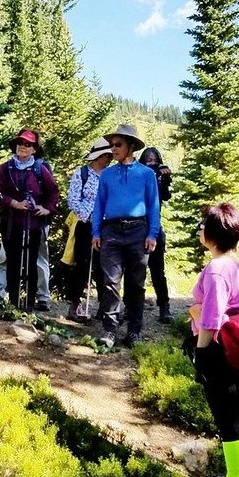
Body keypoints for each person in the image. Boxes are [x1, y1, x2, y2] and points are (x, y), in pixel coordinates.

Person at [190, 203, 239, 477]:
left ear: (213, 235)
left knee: (226, 418)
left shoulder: (215, 269)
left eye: (204, 225)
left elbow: (213, 317)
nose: (200, 230)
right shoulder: (238, 265)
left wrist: (200, 353)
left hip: (219, 350)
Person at [91, 124, 160, 348]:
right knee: (110, 282)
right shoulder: (107, 175)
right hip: (110, 231)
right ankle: (110, 331)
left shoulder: (147, 174)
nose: (113, 149)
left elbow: (154, 206)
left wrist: (152, 233)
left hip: (138, 232)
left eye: (118, 144)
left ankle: (134, 331)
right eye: (112, 145)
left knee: (136, 284)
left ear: (130, 146)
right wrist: (95, 232)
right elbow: (99, 204)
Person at [0, 128, 59, 310]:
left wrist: (47, 209)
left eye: (28, 144)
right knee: (13, 263)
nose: (23, 146)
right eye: (20, 143)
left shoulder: (40, 169)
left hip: (34, 224)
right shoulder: (5, 168)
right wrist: (14, 203)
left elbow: (53, 191)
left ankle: (29, 304)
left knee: (31, 263)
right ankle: (14, 304)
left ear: (34, 149)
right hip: (11, 223)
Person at [65, 138, 112, 322]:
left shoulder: (110, 175)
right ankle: (74, 306)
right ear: (98, 156)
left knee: (104, 267)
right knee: (82, 265)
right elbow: (73, 199)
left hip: (107, 226)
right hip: (85, 226)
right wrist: (89, 216)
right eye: (106, 155)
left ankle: (104, 307)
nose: (109, 158)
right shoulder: (82, 173)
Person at [138, 147, 173, 323]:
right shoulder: (138, 176)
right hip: (137, 227)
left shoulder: (159, 176)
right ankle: (132, 307)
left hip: (155, 227)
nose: (151, 163)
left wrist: (165, 179)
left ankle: (164, 306)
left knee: (158, 270)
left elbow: (165, 197)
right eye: (148, 160)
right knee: (135, 271)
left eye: (154, 160)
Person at [0, 227, 52, 311]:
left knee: (39, 259)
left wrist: (50, 212)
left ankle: (43, 298)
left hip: (38, 222)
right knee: (5, 257)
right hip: (13, 220)